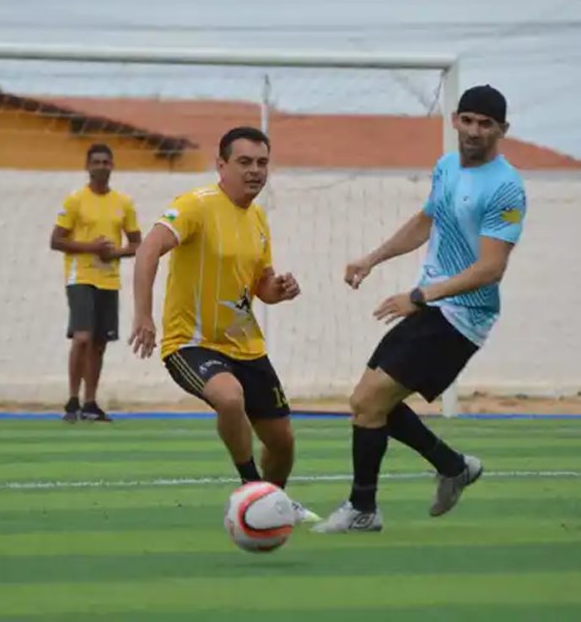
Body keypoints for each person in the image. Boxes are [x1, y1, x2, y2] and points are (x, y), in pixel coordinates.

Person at [312, 84, 527, 533]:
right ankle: (452, 467)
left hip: (463, 314)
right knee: (369, 403)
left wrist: (418, 297)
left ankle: (363, 509)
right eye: (467, 120)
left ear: (502, 130)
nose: (474, 130)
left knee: (368, 401)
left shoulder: (507, 188)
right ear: (454, 120)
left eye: (485, 124)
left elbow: (491, 269)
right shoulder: (447, 166)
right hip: (432, 306)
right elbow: (426, 221)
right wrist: (372, 259)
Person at [129, 126, 319, 524]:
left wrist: (278, 288)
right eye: (244, 162)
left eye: (262, 163)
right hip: (190, 344)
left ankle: (274, 503)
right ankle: (251, 491)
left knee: (282, 444)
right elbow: (148, 249)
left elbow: (260, 285)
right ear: (221, 165)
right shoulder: (195, 205)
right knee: (229, 398)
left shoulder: (259, 218)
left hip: (246, 347)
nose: (255, 171)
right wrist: (143, 315)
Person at [51, 144, 140, 422]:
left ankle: (90, 402)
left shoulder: (123, 203)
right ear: (87, 166)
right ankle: (72, 400)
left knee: (100, 342)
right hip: (81, 277)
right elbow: (56, 240)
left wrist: (115, 253)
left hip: (108, 280)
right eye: (96, 162)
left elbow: (137, 243)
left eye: (106, 161)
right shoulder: (75, 200)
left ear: (112, 166)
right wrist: (91, 247)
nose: (101, 166)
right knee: (82, 337)